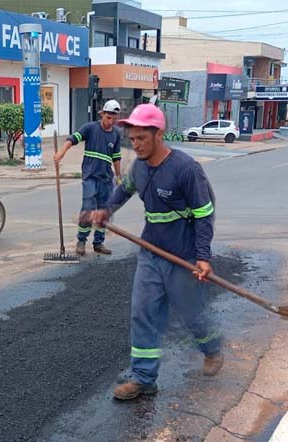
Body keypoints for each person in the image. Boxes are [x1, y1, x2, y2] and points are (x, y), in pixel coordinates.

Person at [91, 104, 222, 401]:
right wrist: (106, 211)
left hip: (183, 254)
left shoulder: (186, 169)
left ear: (159, 135)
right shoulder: (139, 167)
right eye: (132, 138)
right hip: (151, 251)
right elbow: (123, 190)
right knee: (143, 312)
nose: (134, 144)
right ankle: (143, 378)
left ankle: (212, 349)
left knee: (192, 314)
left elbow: (204, 215)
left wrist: (203, 257)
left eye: (141, 138)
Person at [53, 99, 123, 256]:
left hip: (106, 180)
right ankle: (81, 241)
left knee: (104, 212)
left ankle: (98, 243)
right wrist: (61, 153)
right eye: (108, 117)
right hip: (90, 178)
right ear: (102, 114)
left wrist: (118, 176)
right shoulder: (90, 128)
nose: (110, 121)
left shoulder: (116, 135)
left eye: (114, 118)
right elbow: (72, 139)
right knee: (88, 209)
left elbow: (116, 158)